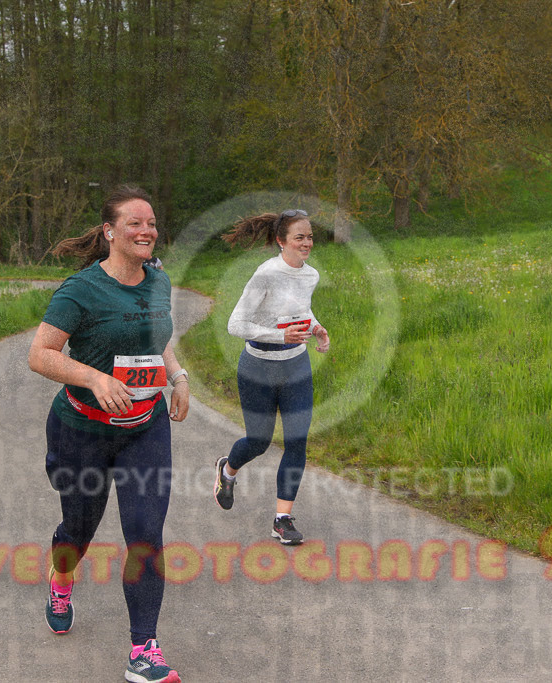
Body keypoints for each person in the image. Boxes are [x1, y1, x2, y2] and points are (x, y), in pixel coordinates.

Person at [27, 185, 188, 683]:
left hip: (145, 427)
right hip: (83, 431)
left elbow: (157, 341)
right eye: (135, 223)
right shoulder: (81, 290)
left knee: (145, 535)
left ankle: (144, 650)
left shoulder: (158, 281)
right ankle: (61, 575)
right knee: (78, 532)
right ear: (110, 231)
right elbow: (40, 354)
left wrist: (177, 377)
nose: (147, 231)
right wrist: (95, 378)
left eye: (152, 223)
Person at [213, 209, 330, 545]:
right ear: (281, 242)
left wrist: (316, 328)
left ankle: (282, 519)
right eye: (299, 237)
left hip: (296, 366)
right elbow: (236, 325)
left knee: (297, 441)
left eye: (309, 236)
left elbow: (300, 309)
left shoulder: (311, 275)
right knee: (259, 442)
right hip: (258, 368)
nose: (307, 242)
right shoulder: (265, 275)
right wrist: (281, 337)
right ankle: (227, 470)